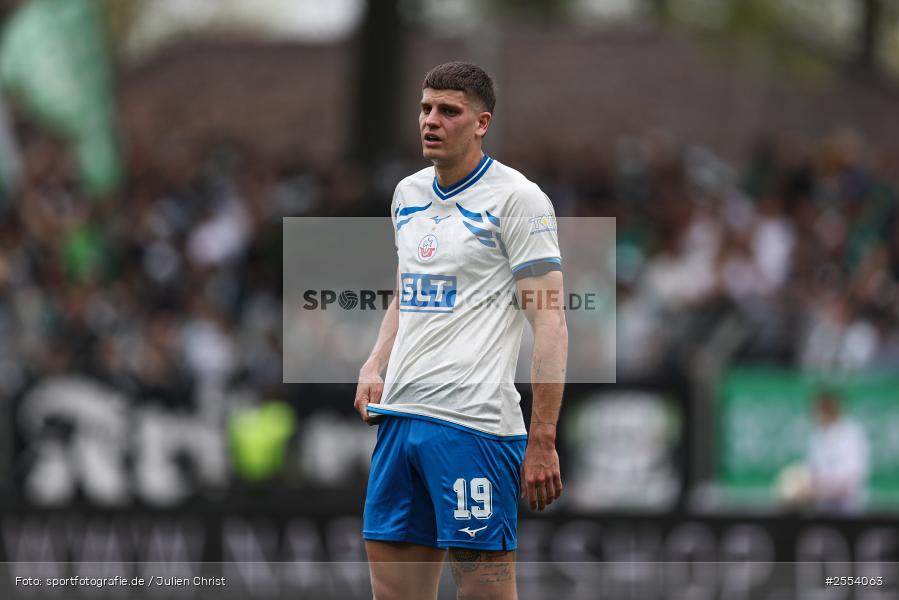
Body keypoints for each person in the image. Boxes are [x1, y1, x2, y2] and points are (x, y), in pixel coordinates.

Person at [354, 62, 568, 600]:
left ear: (481, 123)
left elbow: (550, 319)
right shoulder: (407, 194)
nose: (432, 120)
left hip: (473, 429)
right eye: (426, 108)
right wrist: (375, 361)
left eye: (449, 111)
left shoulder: (518, 200)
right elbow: (408, 289)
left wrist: (543, 436)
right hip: (400, 421)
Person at [807, 390, 870, 514]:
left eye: (821, 411)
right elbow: (813, 470)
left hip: (848, 505)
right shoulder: (816, 436)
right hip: (822, 505)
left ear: (831, 410)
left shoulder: (851, 434)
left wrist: (825, 486)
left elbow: (853, 474)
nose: (817, 416)